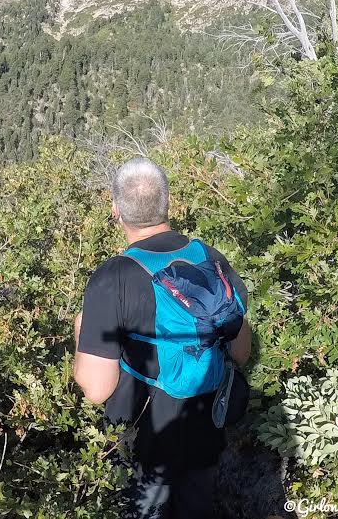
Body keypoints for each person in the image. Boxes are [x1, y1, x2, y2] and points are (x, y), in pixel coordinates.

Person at [73, 157, 251, 518]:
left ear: (115, 210)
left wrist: (82, 329)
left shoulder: (113, 278)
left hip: (145, 443)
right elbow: (242, 350)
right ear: (168, 202)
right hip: (207, 428)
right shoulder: (209, 258)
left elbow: (96, 389)